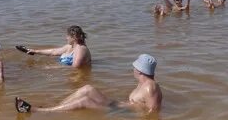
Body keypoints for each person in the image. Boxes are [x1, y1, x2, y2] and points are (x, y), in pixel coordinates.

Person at [15, 54, 162, 114]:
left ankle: (40, 112)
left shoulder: (150, 87)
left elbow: (153, 112)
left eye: (135, 67)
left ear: (140, 70)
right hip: (119, 106)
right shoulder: (143, 83)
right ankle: (55, 107)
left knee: (84, 101)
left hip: (123, 113)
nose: (133, 68)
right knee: (87, 88)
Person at [15, 25, 91, 69]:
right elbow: (53, 52)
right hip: (61, 70)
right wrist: (35, 51)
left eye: (67, 36)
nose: (66, 38)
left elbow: (76, 68)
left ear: (73, 37)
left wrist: (53, 67)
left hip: (77, 79)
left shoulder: (80, 49)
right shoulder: (69, 47)